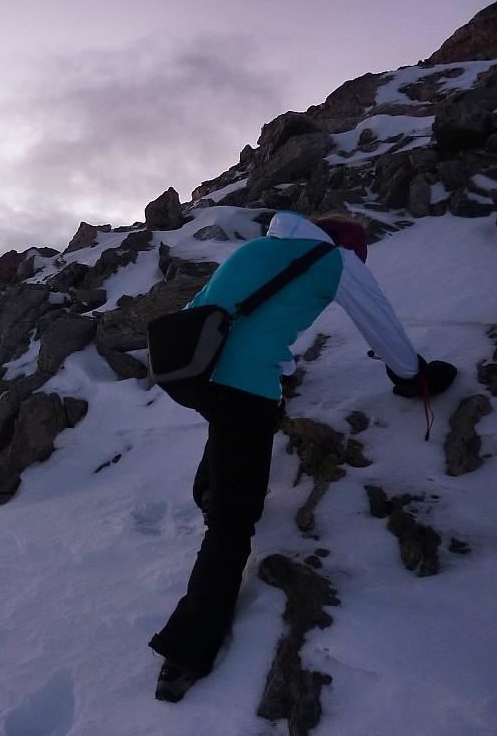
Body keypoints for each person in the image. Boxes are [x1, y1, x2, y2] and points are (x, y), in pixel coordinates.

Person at [148, 210, 457, 702]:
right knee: (233, 521)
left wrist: (275, 366)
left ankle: (208, 488)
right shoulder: (335, 259)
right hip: (241, 389)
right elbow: (382, 326)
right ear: (348, 245)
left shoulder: (258, 249)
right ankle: (185, 650)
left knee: (234, 418)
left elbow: (220, 310)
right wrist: (415, 377)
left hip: (190, 374)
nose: (358, 261)